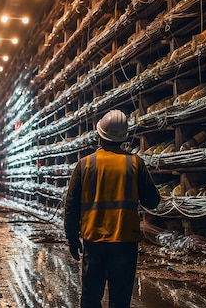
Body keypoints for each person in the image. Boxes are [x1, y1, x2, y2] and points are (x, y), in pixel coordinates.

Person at [64, 109, 161, 307]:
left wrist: (72, 238)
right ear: (124, 138)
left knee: (91, 298)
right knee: (120, 300)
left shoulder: (85, 164)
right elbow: (152, 201)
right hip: (124, 242)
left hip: (94, 240)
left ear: (100, 135)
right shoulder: (135, 163)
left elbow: (71, 205)